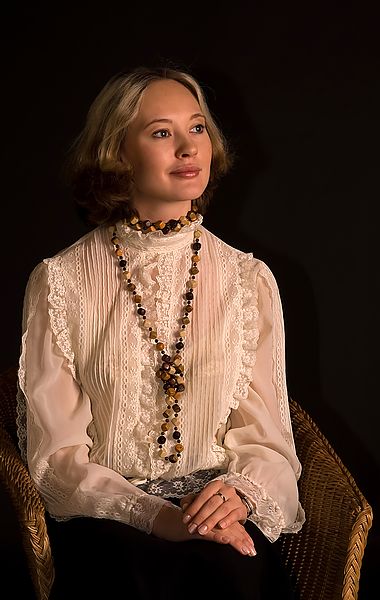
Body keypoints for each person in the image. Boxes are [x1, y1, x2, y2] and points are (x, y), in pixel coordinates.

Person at [16, 65, 305, 599]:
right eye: (161, 132)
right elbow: (56, 460)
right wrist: (155, 517)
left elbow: (268, 439)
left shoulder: (247, 280)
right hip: (108, 515)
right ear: (117, 153)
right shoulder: (60, 281)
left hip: (215, 505)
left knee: (231, 572)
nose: (188, 148)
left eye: (197, 129)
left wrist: (238, 496)